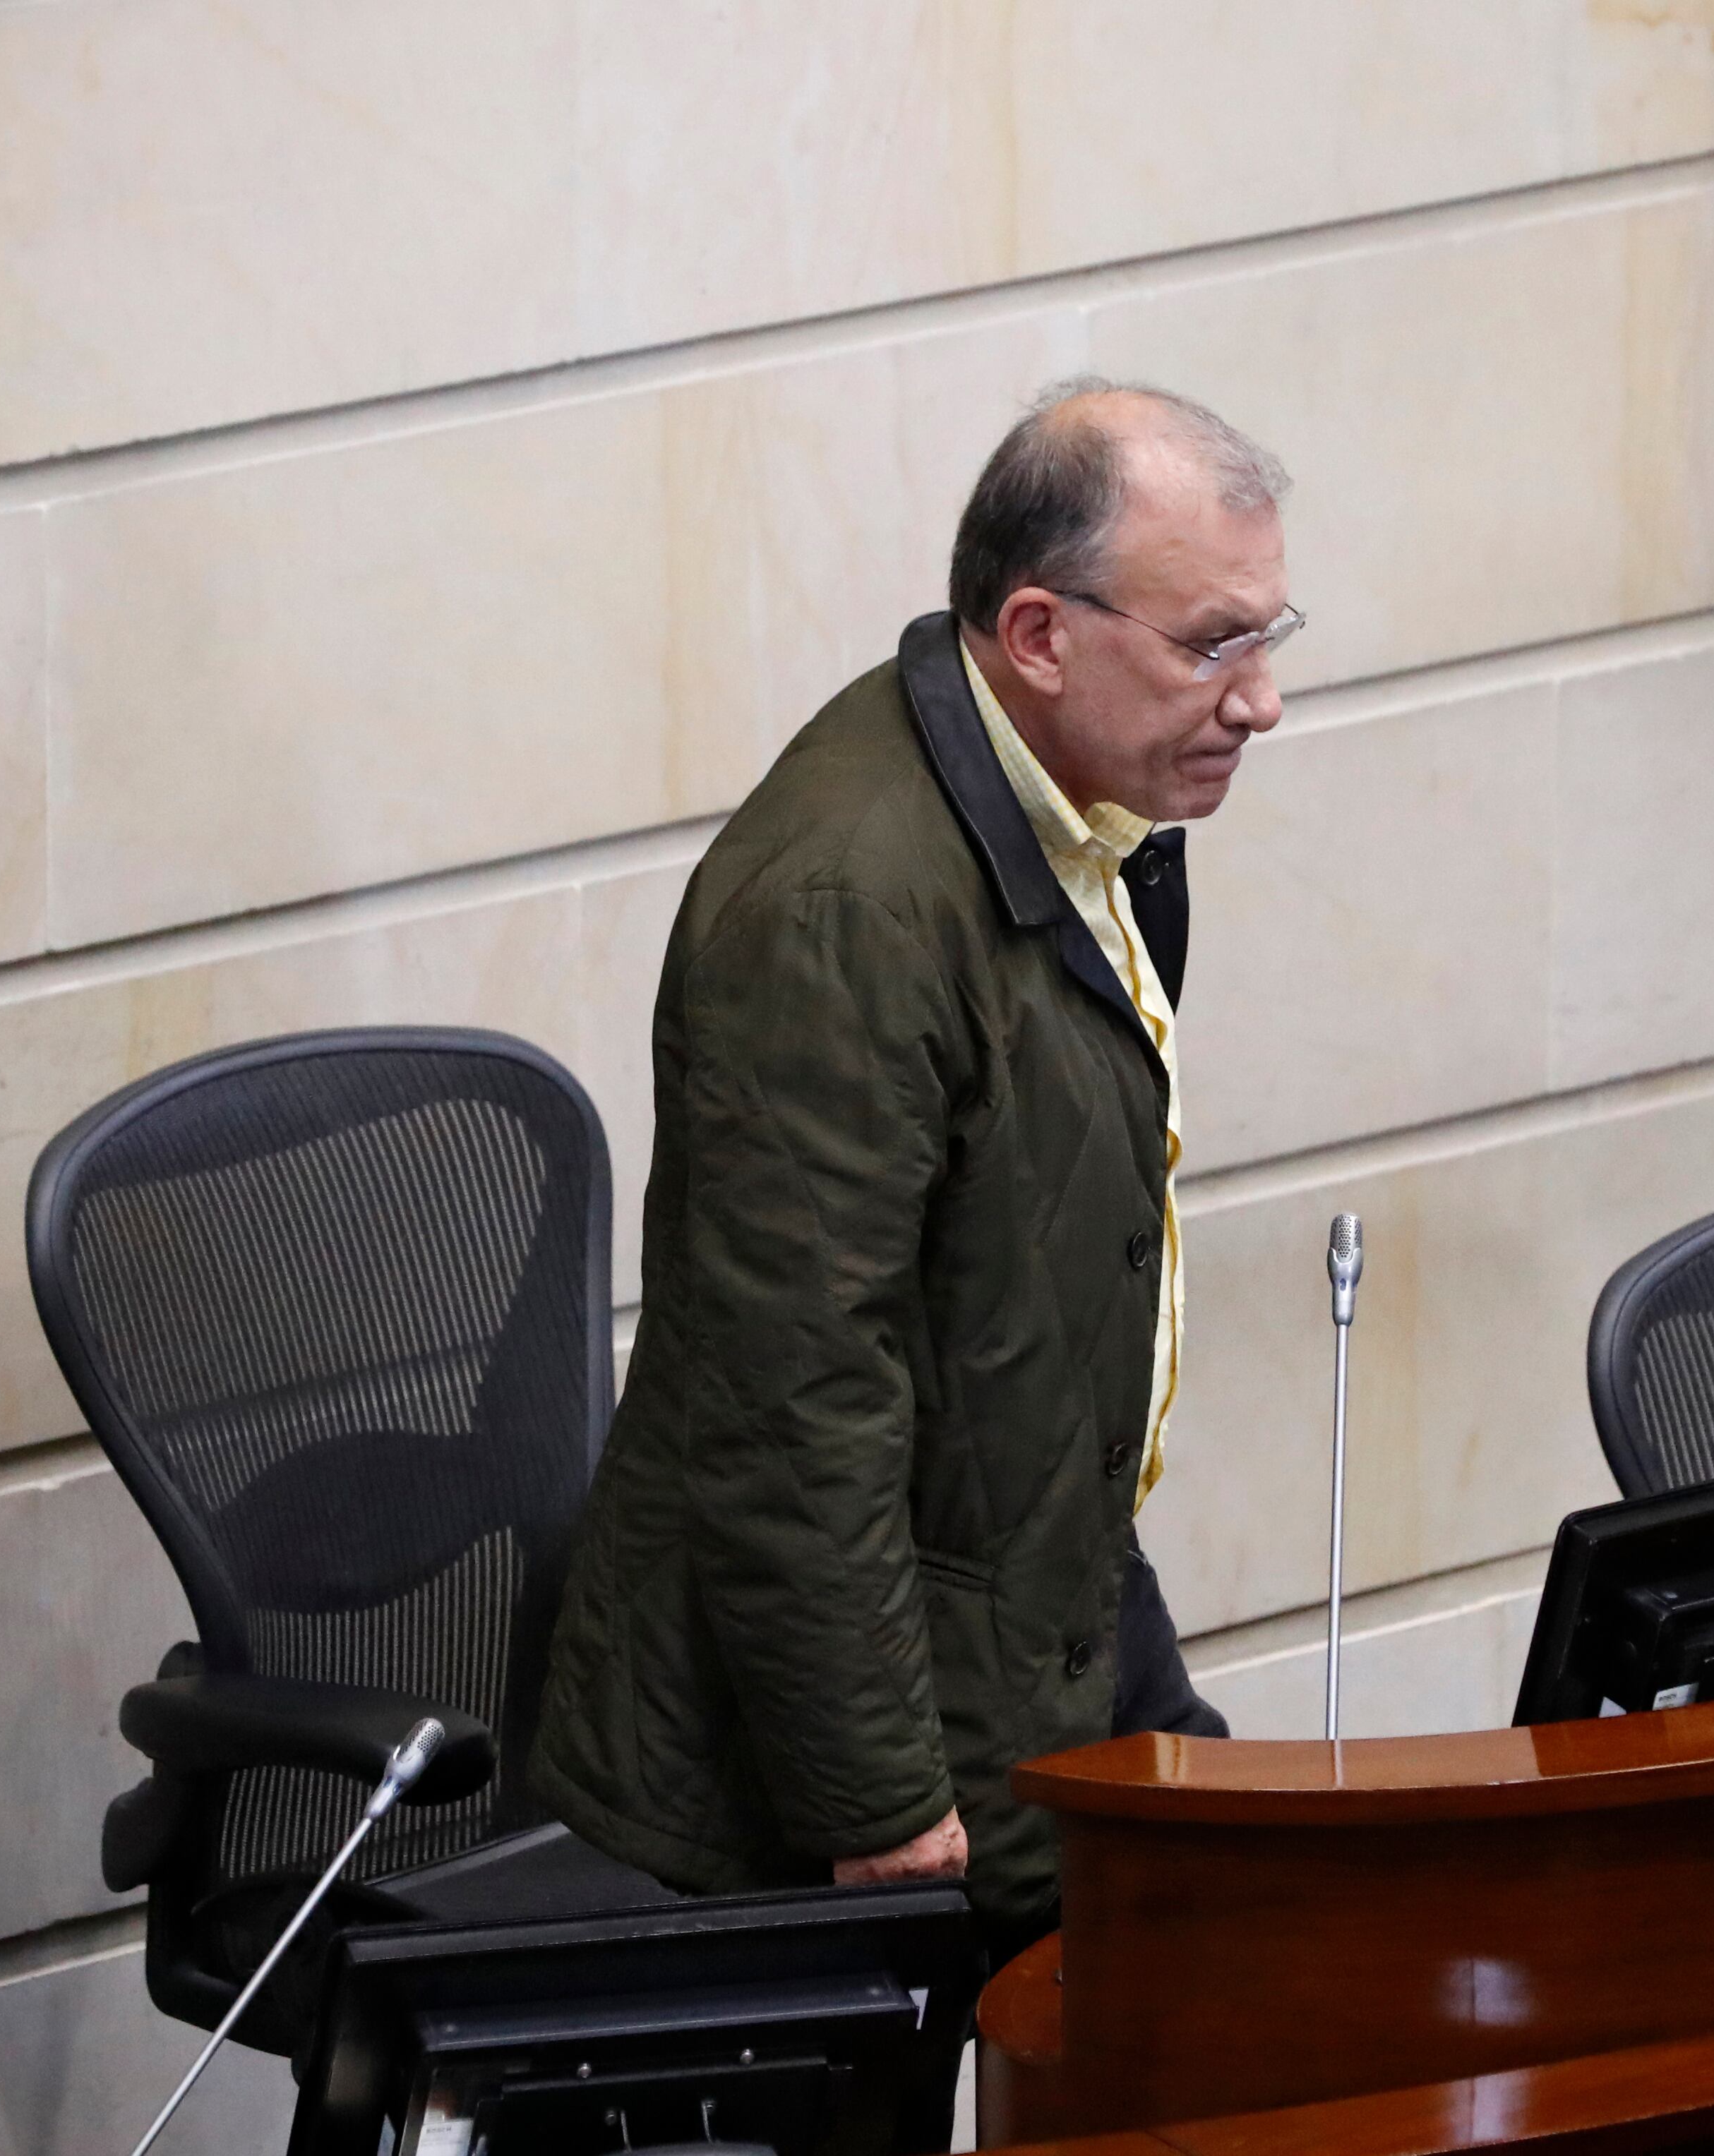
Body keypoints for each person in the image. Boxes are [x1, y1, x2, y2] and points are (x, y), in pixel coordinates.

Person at [525, 378, 1297, 2131]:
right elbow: (791, 1403)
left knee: (1263, 1973)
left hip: (1039, 1600)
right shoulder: (848, 915)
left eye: (1269, 632)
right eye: (1213, 644)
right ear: (1038, 635)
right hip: (807, 1754)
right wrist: (878, 1799)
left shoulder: (1092, 818)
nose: (1261, 696)